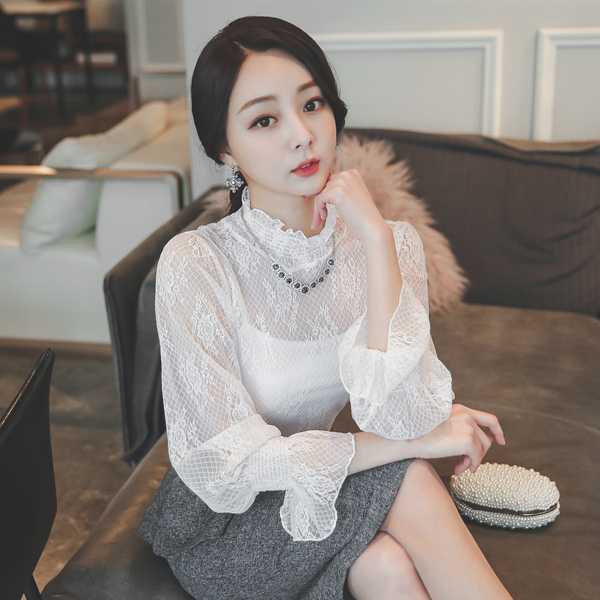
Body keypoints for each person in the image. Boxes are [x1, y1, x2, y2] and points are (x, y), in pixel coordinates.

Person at [138, 15, 512, 600]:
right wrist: (410, 446)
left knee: (385, 566)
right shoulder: (197, 262)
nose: (301, 135)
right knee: (411, 477)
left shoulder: (388, 243)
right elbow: (225, 466)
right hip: (225, 523)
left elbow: (401, 415)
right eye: (264, 120)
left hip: (315, 484)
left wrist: (377, 241)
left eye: (312, 105)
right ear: (224, 149)